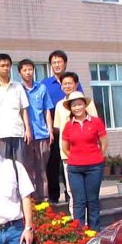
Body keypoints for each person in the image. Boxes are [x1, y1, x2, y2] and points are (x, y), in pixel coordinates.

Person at [61, 91, 107, 230]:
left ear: (85, 105)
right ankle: (79, 235)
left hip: (94, 166)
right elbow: (65, 147)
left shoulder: (96, 122)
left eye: (79, 104)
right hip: (75, 168)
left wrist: (97, 157)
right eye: (74, 105)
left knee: (92, 201)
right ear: (70, 108)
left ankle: (94, 233)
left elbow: (104, 143)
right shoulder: (68, 125)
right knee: (79, 202)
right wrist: (76, 157)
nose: (77, 108)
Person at [52, 72, 98, 209]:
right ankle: (78, 224)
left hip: (88, 155)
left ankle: (91, 224)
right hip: (68, 155)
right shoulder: (60, 105)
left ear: (76, 84)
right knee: (73, 191)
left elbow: (96, 126)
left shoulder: (87, 103)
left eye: (70, 83)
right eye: (64, 84)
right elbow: (58, 128)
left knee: (90, 191)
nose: (67, 86)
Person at [18, 59, 54, 200]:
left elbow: (47, 111)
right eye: (25, 70)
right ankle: (30, 199)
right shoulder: (17, 89)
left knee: (41, 169)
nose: (28, 72)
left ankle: (43, 199)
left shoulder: (41, 88)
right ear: (19, 72)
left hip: (41, 133)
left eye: (30, 69)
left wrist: (50, 130)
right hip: (25, 135)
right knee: (27, 168)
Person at [0, 53, 31, 161]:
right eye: (2, 66)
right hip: (0, 134)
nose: (6, 68)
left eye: (8, 65)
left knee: (19, 166)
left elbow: (23, 109)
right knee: (3, 166)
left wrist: (27, 129)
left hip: (18, 132)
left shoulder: (18, 86)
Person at [42, 52, 69, 203]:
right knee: (52, 164)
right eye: (54, 62)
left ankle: (70, 193)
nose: (57, 65)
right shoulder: (45, 84)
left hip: (69, 130)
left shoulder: (72, 81)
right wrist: (49, 128)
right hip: (53, 130)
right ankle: (53, 196)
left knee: (68, 162)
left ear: (65, 63)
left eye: (59, 62)